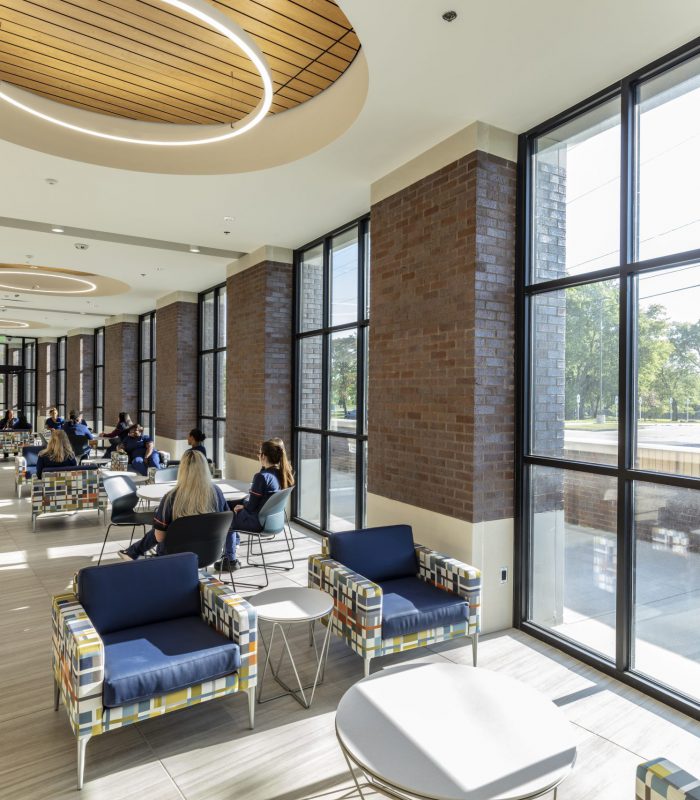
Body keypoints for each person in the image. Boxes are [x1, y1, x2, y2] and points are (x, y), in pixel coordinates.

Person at [119, 449, 230, 560]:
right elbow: (228, 522)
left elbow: (159, 537)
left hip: (175, 557)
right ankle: (132, 552)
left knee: (159, 528)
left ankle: (133, 552)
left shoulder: (171, 498)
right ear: (205, 468)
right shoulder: (217, 493)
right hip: (210, 554)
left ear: (182, 470)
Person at [215, 438, 295, 572]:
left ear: (263, 456)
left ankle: (230, 560)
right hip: (273, 520)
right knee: (229, 504)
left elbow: (251, 506)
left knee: (227, 517)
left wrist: (244, 506)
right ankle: (234, 544)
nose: (258, 456)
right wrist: (243, 504)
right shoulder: (282, 474)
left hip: (258, 521)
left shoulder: (261, 477)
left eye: (259, 454)